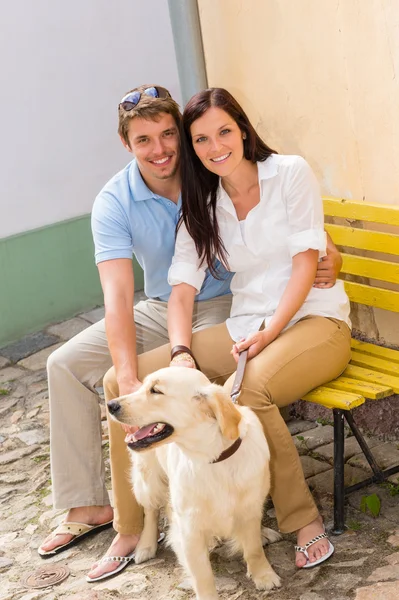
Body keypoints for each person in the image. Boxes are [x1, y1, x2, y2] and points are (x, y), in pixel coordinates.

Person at [38, 84, 341, 580]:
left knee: (253, 385)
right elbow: (153, 291)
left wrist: (320, 271)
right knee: (118, 382)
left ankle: (299, 520)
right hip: (220, 316)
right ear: (128, 145)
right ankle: (132, 523)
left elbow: (306, 243)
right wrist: (177, 354)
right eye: (144, 140)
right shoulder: (186, 198)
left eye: (170, 136)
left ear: (240, 130)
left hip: (278, 315)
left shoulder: (255, 173)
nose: (164, 150)